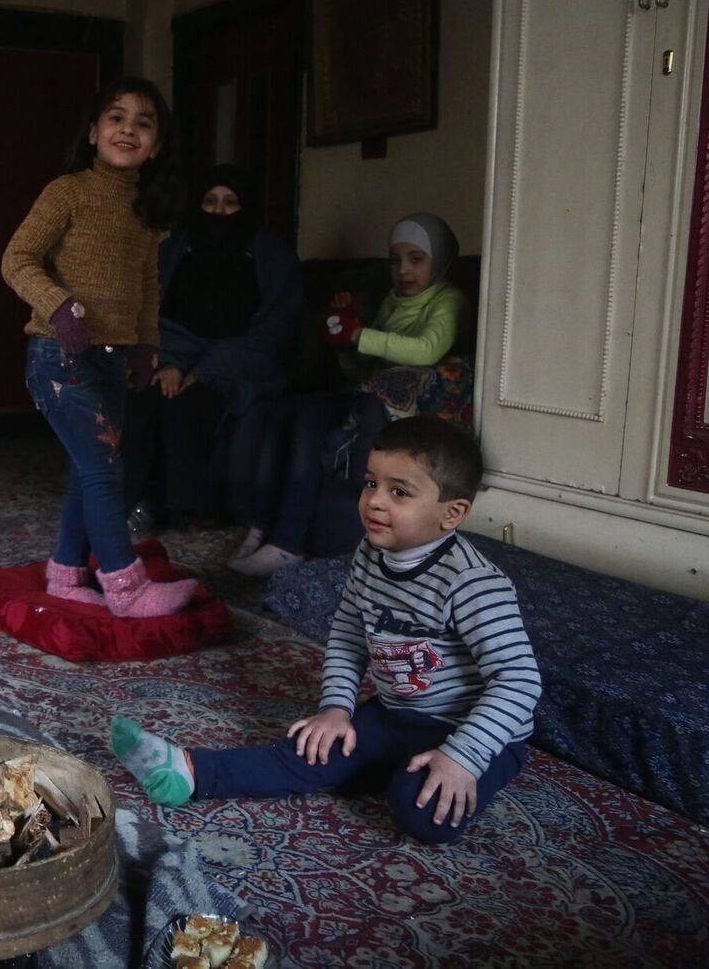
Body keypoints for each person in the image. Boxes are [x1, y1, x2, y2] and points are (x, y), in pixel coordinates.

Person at [110, 417, 541, 844]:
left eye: (399, 492)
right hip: (397, 716)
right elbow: (348, 638)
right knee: (311, 749)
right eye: (371, 483)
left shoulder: (472, 582)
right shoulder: (370, 555)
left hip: (472, 731)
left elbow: (519, 682)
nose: (374, 501)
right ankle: (191, 770)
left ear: (453, 514)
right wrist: (337, 709)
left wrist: (462, 758)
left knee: (424, 813)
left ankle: (404, 768)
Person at [0, 76, 197, 619]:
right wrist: (59, 306)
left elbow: (148, 285)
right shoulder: (67, 192)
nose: (128, 128)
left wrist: (146, 347)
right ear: (93, 132)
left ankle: (65, 574)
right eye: (116, 116)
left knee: (90, 468)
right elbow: (16, 260)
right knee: (105, 468)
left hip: (115, 360)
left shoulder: (145, 210)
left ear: (155, 145)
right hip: (57, 356)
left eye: (144, 121)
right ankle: (125, 586)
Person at [228, 212, 468, 576]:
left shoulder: (448, 300)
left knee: (328, 413)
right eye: (395, 259)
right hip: (368, 389)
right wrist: (344, 337)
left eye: (416, 259)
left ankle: (287, 544)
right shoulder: (390, 302)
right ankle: (267, 528)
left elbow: (427, 351)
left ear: (440, 260)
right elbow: (360, 371)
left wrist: (360, 335)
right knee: (296, 414)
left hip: (406, 402)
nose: (403, 269)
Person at [121, 163, 302, 531]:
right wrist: (169, 362)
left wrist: (205, 369)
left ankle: (184, 511)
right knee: (147, 396)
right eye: (210, 201)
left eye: (230, 202)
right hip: (175, 354)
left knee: (190, 403)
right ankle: (132, 501)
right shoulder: (175, 251)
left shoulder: (273, 258)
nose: (219, 211)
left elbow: (274, 331)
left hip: (241, 363)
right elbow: (149, 314)